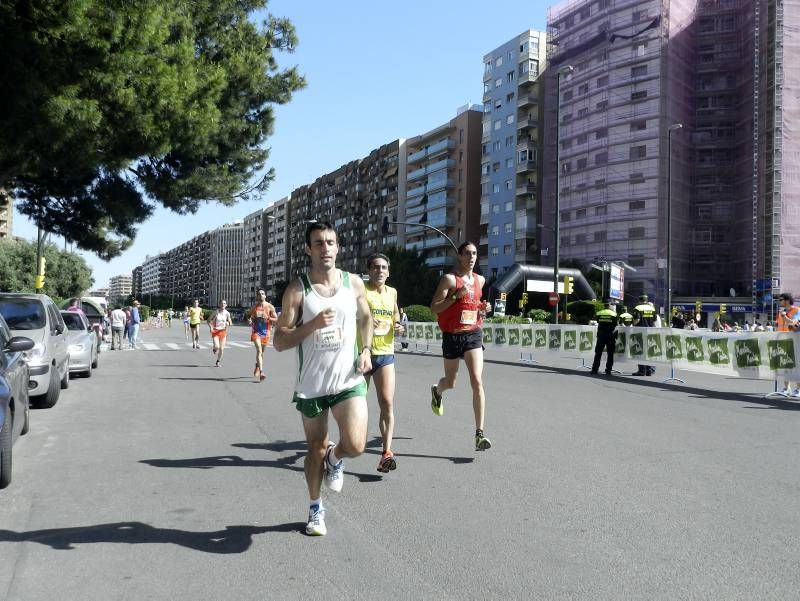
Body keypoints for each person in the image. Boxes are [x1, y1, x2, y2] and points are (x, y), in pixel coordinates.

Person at [273, 221, 373, 537]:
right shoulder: (297, 289)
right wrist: (312, 324)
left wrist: (367, 349)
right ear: (308, 249)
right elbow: (279, 341)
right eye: (318, 243)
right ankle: (315, 509)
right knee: (313, 449)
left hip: (347, 379)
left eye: (330, 242)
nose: (325, 248)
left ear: (338, 247)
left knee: (356, 444)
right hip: (312, 385)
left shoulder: (353, 283)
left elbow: (367, 317)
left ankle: (336, 457)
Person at [429, 241, 493, 451]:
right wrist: (456, 296)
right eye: (467, 253)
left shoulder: (480, 280)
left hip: (473, 335)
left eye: (475, 253)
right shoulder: (449, 279)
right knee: (451, 382)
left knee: (477, 381)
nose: (472, 257)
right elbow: (434, 309)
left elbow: (475, 309)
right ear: (459, 256)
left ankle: (479, 434)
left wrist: (483, 309)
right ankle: (438, 391)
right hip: (452, 336)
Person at [364, 253, 404, 473]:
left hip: (386, 353)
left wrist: (397, 324)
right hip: (363, 353)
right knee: (357, 404)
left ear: (388, 272)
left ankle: (386, 452)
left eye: (384, 268)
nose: (380, 271)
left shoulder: (392, 292)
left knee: (387, 402)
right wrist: (367, 319)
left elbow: (395, 312)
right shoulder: (361, 290)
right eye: (375, 267)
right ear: (369, 270)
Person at [249, 289, 278, 381]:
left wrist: (268, 317)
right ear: (257, 297)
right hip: (256, 331)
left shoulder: (270, 307)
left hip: (266, 332)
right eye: (259, 294)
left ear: (265, 296)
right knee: (259, 350)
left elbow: (276, 319)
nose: (261, 295)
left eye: (262, 293)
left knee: (262, 353)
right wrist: (250, 321)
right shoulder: (254, 307)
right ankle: (262, 372)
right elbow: (251, 318)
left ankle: (257, 365)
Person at [776, 292, 800, 397]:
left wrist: (785, 316)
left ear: (787, 300)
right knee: (785, 364)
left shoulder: (797, 310)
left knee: (796, 365)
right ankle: (786, 388)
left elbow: (794, 323)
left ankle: (798, 389)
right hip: (782, 340)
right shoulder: (781, 312)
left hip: (794, 340)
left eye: (781, 299)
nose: (779, 302)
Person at [591, 301, 618, 376]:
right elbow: (615, 324)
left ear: (604, 306)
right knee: (610, 354)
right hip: (610, 335)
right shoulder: (614, 314)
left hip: (601, 335)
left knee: (598, 353)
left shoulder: (599, 313)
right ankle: (608, 371)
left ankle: (594, 370)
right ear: (609, 306)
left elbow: (597, 321)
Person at [631, 294, 656, 376]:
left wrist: (633, 324)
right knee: (648, 352)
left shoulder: (638, 308)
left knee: (640, 352)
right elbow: (654, 321)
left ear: (639, 300)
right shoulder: (652, 309)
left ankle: (641, 371)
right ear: (646, 300)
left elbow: (637, 320)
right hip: (650, 332)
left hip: (640, 332)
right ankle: (649, 371)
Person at [207, 300, 232, 367]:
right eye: (221, 303)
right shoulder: (216, 312)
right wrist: (211, 327)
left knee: (221, 348)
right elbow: (208, 320)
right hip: (215, 331)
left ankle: (218, 361)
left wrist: (228, 323)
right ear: (219, 304)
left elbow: (230, 322)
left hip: (223, 332)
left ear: (226, 305)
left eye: (224, 303)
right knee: (217, 346)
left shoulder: (227, 313)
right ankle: (215, 348)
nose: (223, 304)